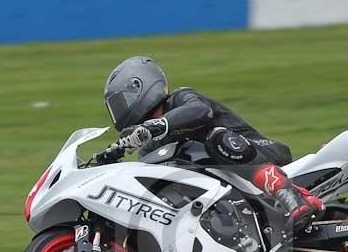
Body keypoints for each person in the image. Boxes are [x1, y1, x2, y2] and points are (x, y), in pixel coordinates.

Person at [103, 56, 324, 232]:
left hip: (263, 153)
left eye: (121, 102)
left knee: (217, 139)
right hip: (233, 190)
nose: (119, 111)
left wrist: (156, 126)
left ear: (139, 87)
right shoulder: (150, 147)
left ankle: (292, 196)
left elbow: (200, 112)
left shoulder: (181, 99)